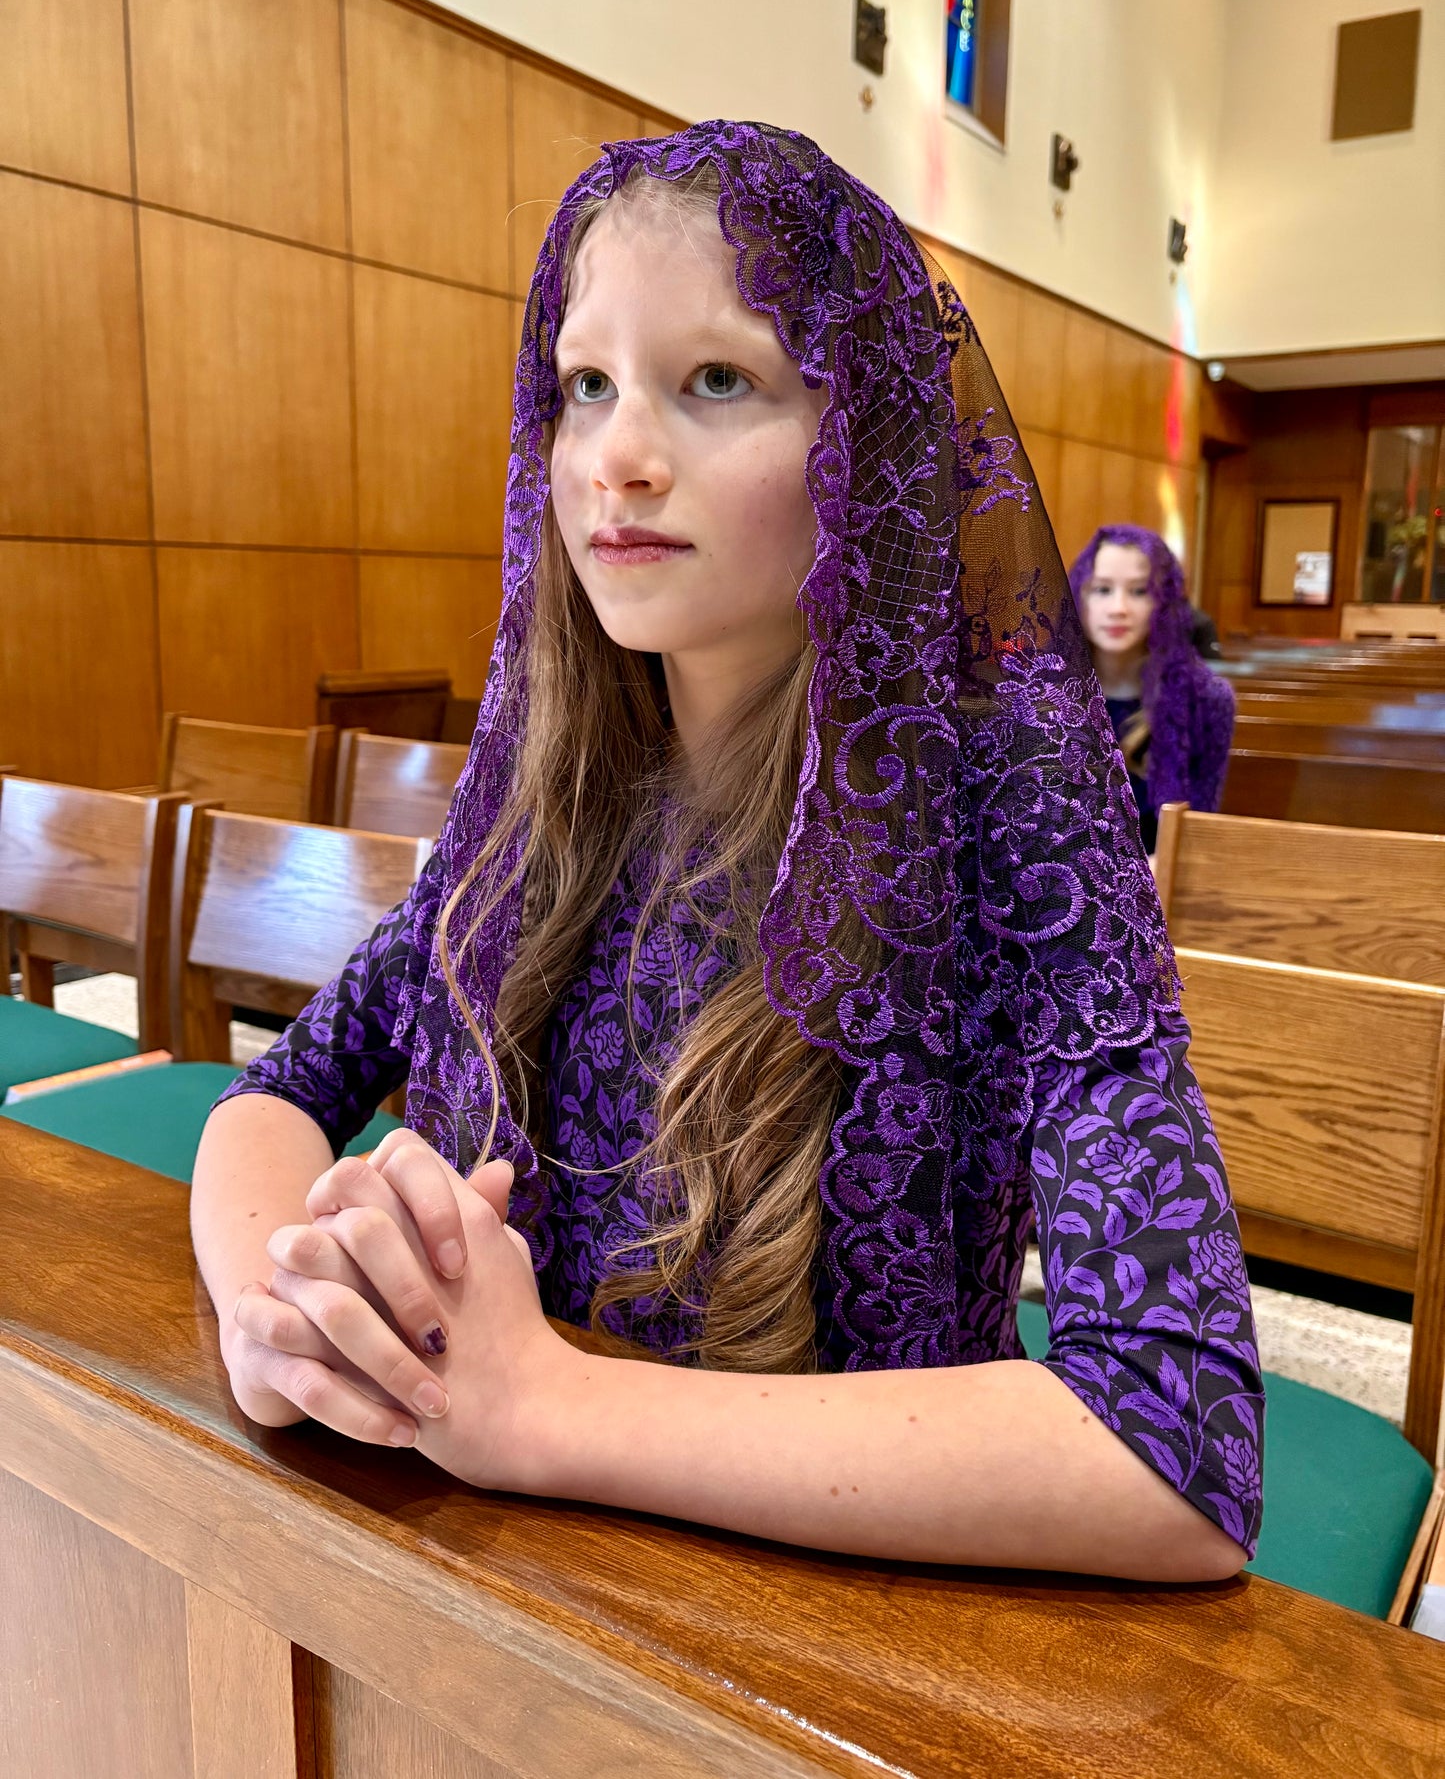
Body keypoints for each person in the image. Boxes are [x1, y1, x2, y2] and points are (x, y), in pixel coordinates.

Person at [191, 123, 1262, 1579]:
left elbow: (1174, 1454)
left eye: (714, 380)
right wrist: (277, 1311)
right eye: (585, 386)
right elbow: (279, 1088)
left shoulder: (1005, 812)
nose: (616, 458)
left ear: (867, 441)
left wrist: (551, 1406)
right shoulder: (550, 779)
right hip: (494, 1578)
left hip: (826, 1619)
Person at [1069, 526, 1236, 853]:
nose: (1118, 608)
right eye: (1102, 590)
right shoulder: (1043, 690)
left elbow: (1196, 829)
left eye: (1139, 591)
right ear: (1079, 595)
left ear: (1164, 602)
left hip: (1156, 885)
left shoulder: (1206, 699)